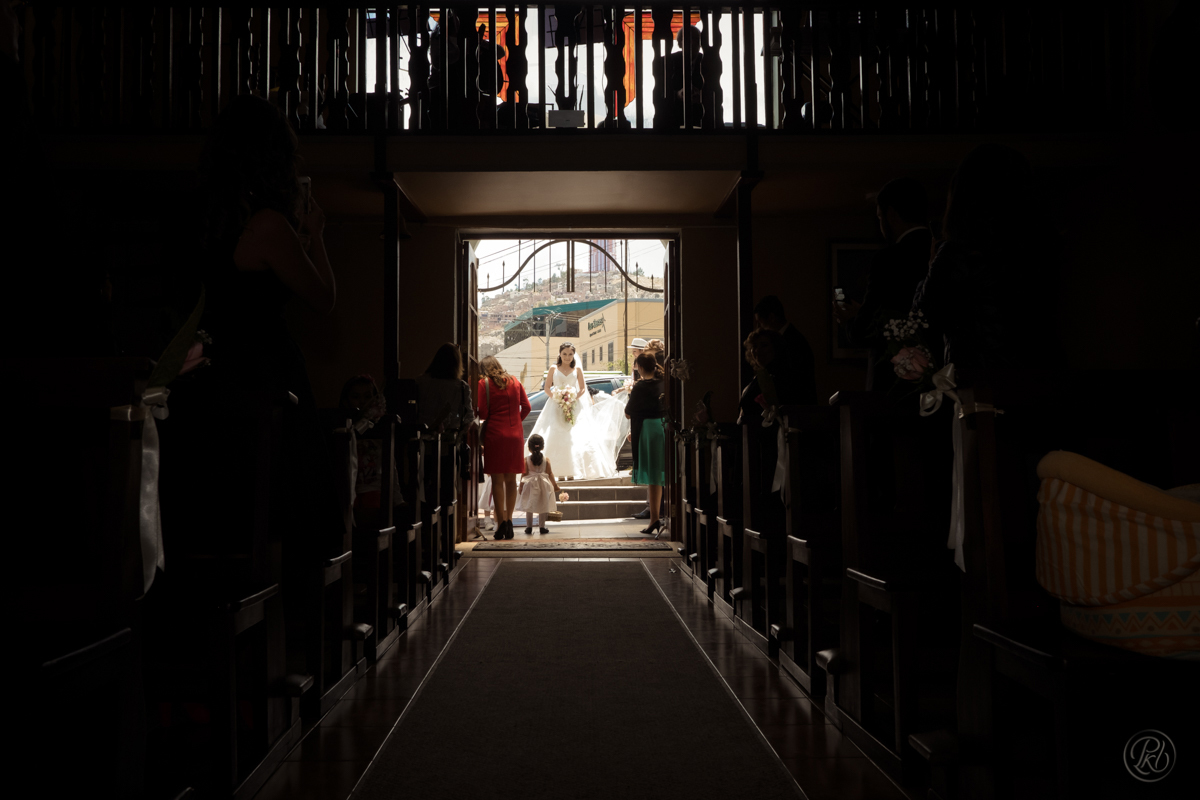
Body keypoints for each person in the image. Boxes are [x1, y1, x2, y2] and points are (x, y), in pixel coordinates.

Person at [911, 143, 1060, 372]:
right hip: (1040, 376)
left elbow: (921, 319)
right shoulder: (1040, 249)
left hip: (981, 384)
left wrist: (932, 267)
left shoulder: (960, 253)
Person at [833, 177, 934, 392]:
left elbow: (864, 331)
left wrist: (850, 320)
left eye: (879, 217)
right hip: (941, 380)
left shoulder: (888, 260)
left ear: (891, 215)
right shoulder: (941, 252)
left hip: (896, 387)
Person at [528, 342, 619, 481]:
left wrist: (572, 398)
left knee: (575, 437)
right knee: (555, 435)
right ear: (560, 354)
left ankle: (572, 471)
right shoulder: (553, 368)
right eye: (564, 354)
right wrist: (557, 398)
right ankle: (557, 471)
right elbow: (547, 387)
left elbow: (582, 388)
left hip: (574, 405)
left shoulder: (577, 369)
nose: (567, 357)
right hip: (556, 405)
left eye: (570, 354)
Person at [477, 355, 530, 540]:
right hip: (515, 436)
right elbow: (527, 406)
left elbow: (483, 412)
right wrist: (515, 422)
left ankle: (500, 525)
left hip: (495, 435)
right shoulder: (515, 381)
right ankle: (509, 522)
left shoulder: (484, 384)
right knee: (511, 480)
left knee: (497, 481)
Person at [626, 353, 667, 537]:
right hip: (665, 427)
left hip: (648, 431)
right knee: (666, 472)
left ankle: (655, 518)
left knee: (653, 476)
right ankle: (664, 518)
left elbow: (628, 412)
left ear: (640, 368)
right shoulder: (664, 383)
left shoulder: (640, 387)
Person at [752, 295, 818, 406]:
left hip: (798, 408)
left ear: (772, 317)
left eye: (760, 322)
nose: (759, 327)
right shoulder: (790, 337)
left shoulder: (792, 341)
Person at [415, 342, 475, 431]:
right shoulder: (461, 387)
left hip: (421, 433)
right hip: (449, 437)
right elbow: (468, 418)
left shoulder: (420, 382)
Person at [654, 25, 704, 130]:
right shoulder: (666, 62)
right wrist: (677, 94)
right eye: (689, 39)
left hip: (702, 120)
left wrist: (702, 96)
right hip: (671, 120)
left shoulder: (708, 61)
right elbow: (659, 92)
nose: (693, 43)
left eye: (696, 39)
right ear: (679, 43)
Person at [515, 434, 565, 535]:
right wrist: (555, 486)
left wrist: (521, 486)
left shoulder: (526, 459)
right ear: (542, 446)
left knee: (529, 505)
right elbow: (550, 473)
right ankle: (542, 527)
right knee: (543, 504)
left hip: (530, 485)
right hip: (543, 484)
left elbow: (524, 474)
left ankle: (529, 527)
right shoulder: (546, 460)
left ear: (529, 448)